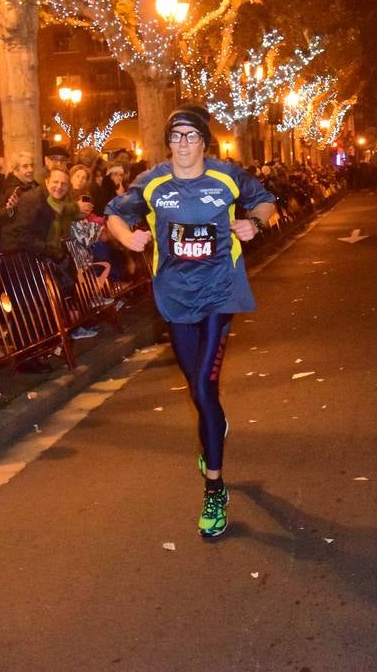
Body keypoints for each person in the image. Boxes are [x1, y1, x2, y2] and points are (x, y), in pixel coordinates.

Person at [105, 105, 277, 539]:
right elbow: (113, 213)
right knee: (203, 394)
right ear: (169, 144)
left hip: (220, 291)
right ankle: (213, 426)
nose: (183, 145)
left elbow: (266, 202)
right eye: (176, 137)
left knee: (202, 388)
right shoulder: (153, 181)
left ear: (204, 142)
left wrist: (254, 222)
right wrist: (129, 237)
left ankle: (214, 488)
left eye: (191, 137)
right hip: (175, 297)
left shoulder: (225, 176)